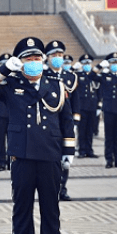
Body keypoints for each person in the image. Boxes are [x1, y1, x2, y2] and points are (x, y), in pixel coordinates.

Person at [0, 36, 74, 234]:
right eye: (27, 59)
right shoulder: (12, 85)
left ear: (43, 60)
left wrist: (68, 150)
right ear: (20, 63)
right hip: (22, 154)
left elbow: (66, 120)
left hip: (50, 153)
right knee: (22, 206)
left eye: (36, 58)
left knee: (51, 206)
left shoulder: (56, 85)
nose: (33, 62)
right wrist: (4, 69)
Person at [43, 40, 79, 202]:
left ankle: (62, 189)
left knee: (64, 161)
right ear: (47, 58)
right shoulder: (42, 77)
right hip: (46, 126)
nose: (58, 58)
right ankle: (49, 189)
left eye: (60, 55)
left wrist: (75, 121)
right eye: (54, 55)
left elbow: (75, 103)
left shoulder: (70, 77)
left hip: (64, 125)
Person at [74, 54, 100, 158]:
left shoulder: (94, 76)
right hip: (82, 106)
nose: (87, 65)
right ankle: (82, 150)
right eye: (85, 63)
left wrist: (99, 104)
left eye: (89, 63)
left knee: (90, 130)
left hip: (92, 106)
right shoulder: (78, 75)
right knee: (82, 130)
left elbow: (99, 91)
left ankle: (89, 150)